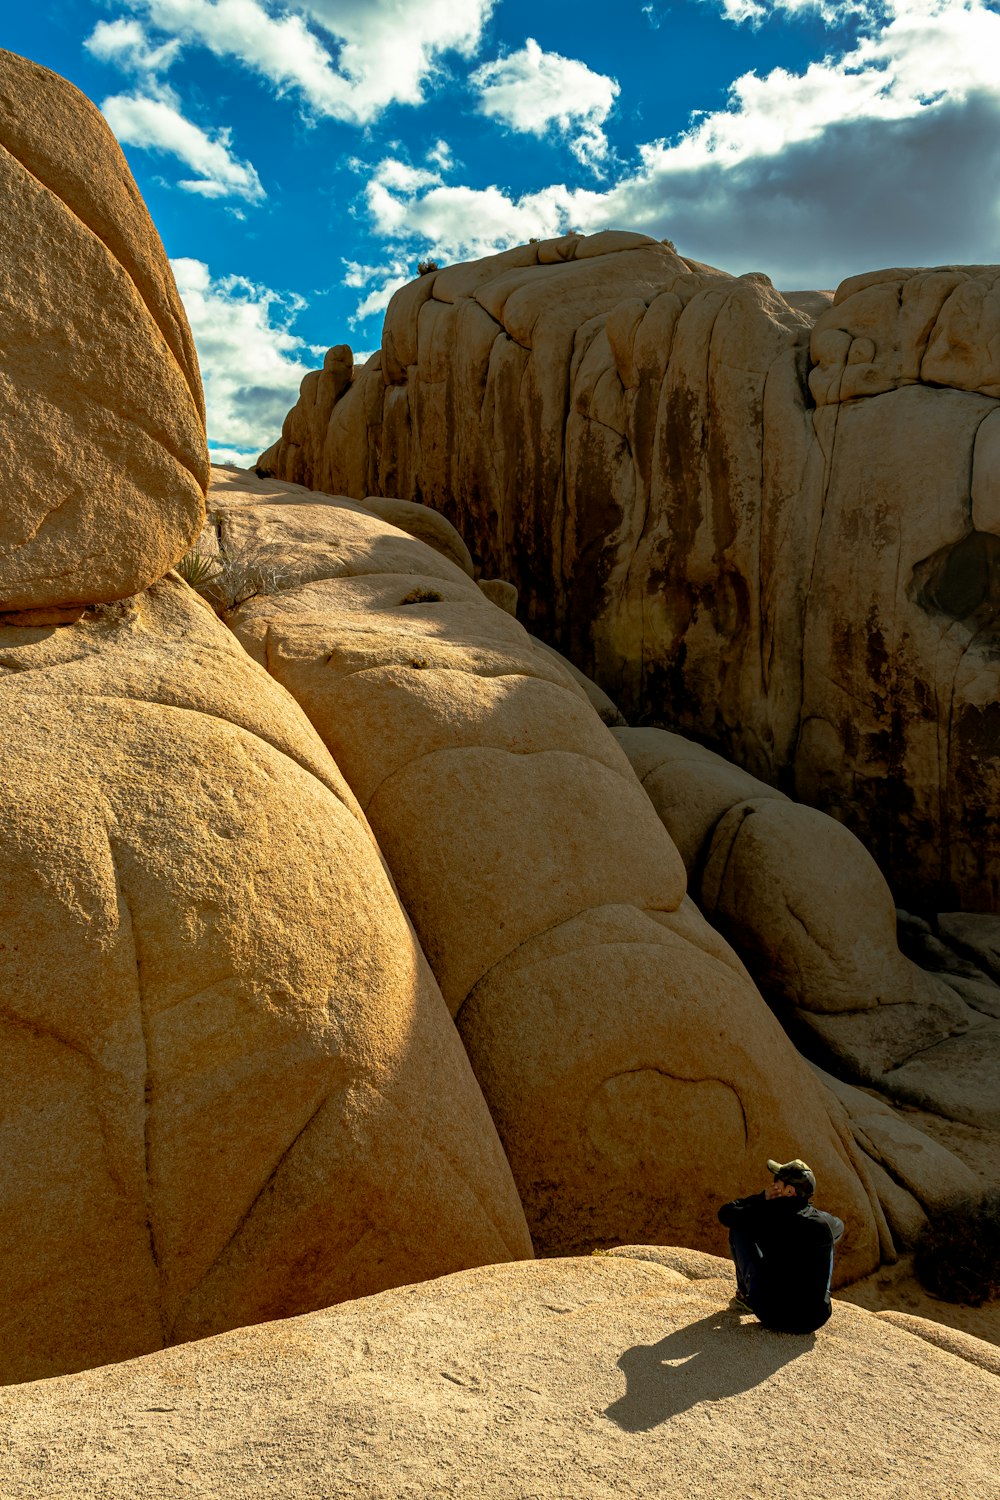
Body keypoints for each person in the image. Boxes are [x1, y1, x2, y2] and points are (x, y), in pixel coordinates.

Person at [717, 1158, 844, 1334]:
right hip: (814, 1319)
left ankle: (745, 1298)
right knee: (826, 1241)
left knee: (739, 1229)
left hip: (773, 1315)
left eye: (778, 1181)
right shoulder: (824, 1223)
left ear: (789, 1191)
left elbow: (725, 1214)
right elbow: (840, 1227)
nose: (772, 1183)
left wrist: (762, 1198)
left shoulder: (766, 1216)